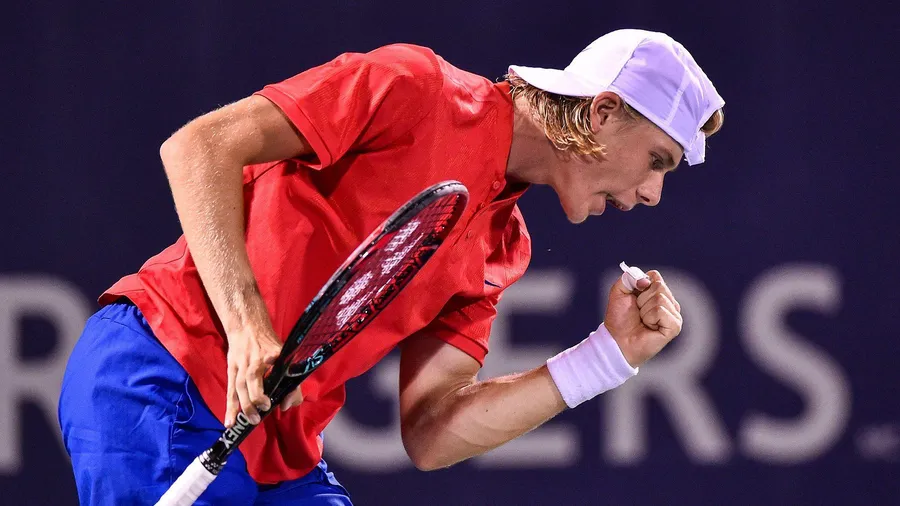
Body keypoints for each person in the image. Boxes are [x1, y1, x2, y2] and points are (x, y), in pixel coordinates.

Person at [58, 28, 724, 504]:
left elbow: (431, 434)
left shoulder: (502, 246)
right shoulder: (416, 87)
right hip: (164, 370)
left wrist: (608, 357)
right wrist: (247, 325)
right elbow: (200, 146)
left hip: (279, 446)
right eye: (657, 161)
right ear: (602, 112)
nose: (652, 193)